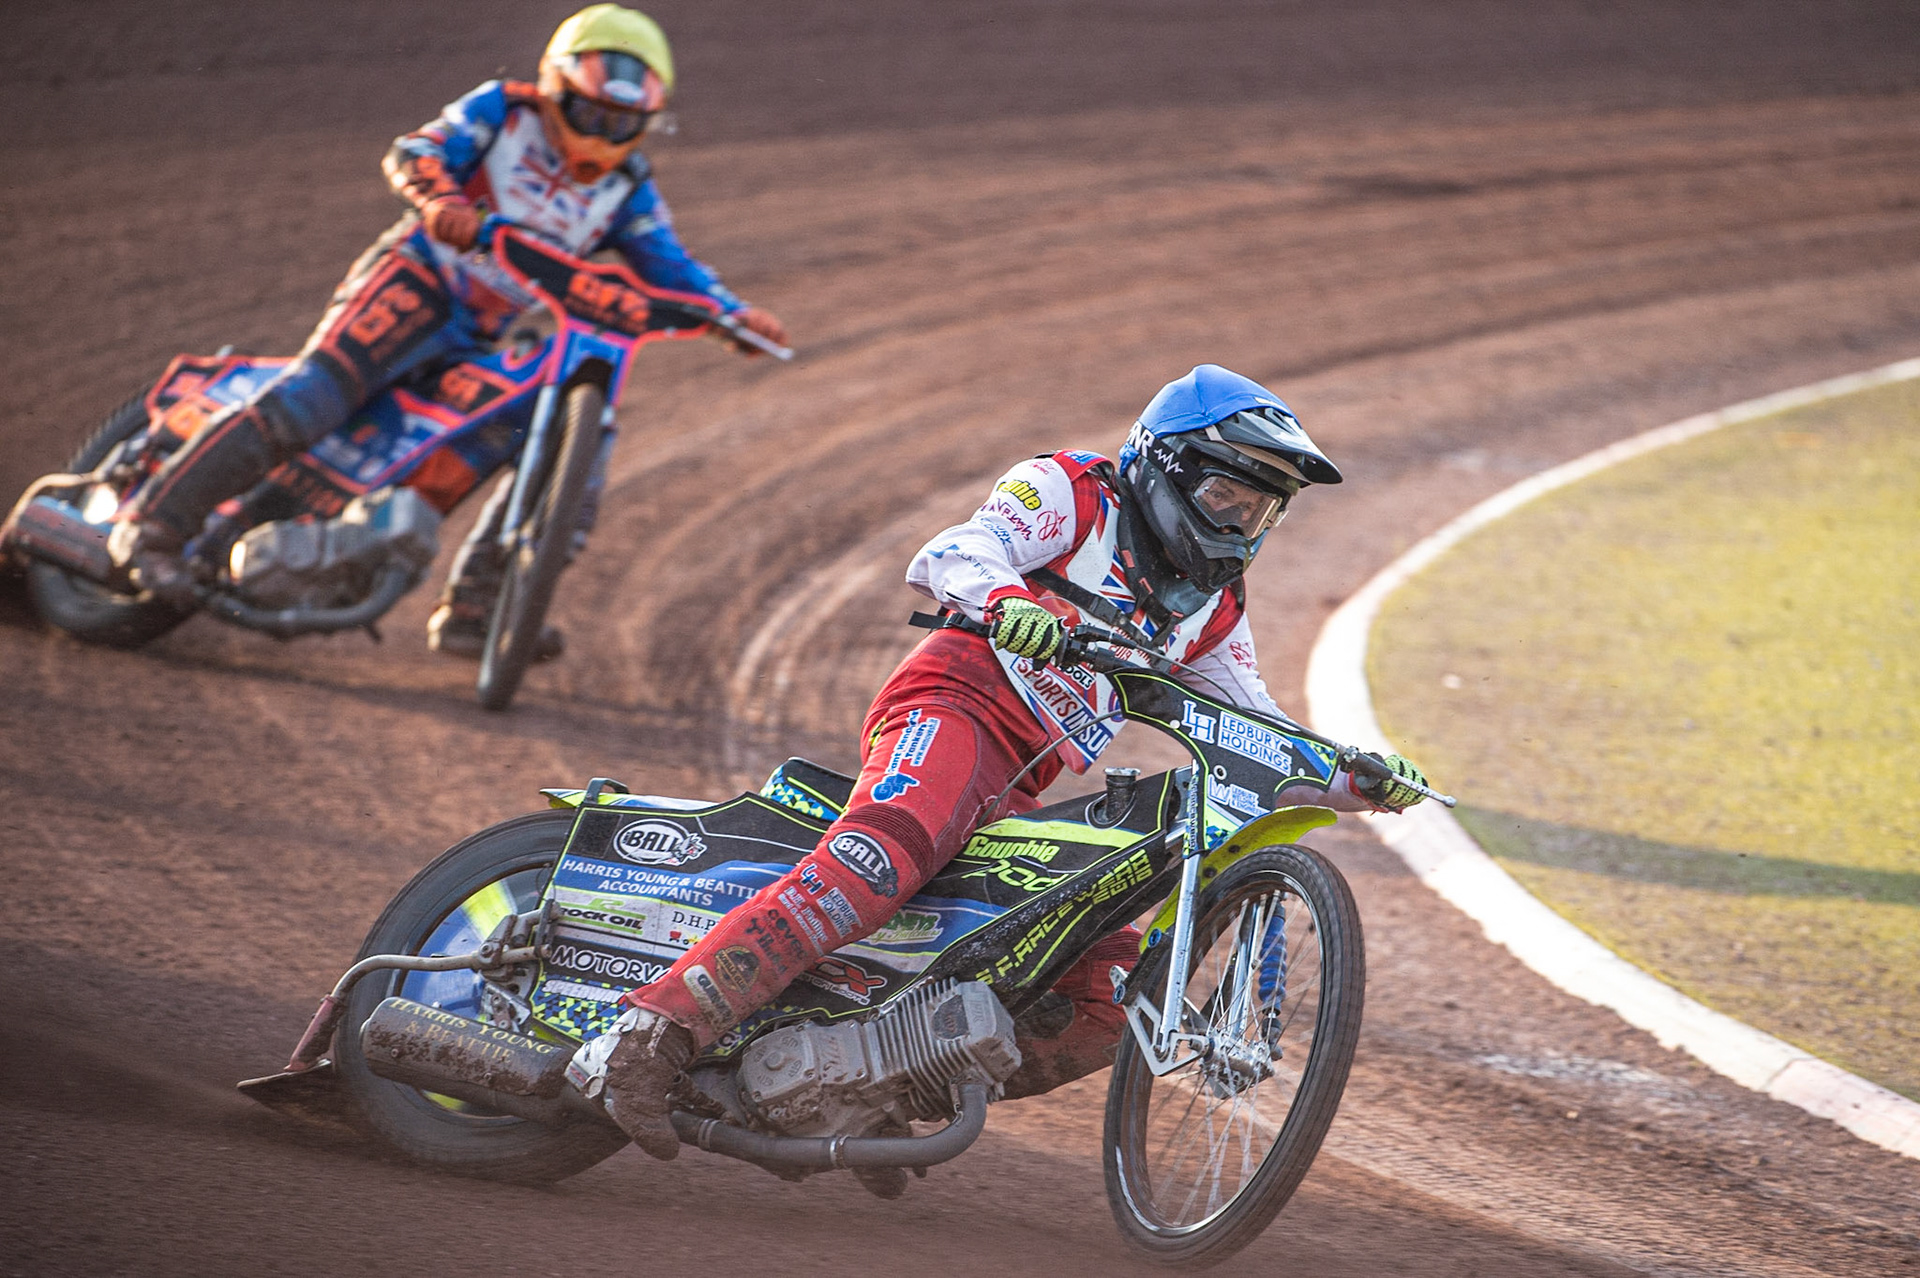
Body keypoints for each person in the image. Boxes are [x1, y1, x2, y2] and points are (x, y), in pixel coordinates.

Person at [565, 363, 1431, 1159]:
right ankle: (646, 1037)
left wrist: (1359, 778)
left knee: (1101, 998)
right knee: (878, 862)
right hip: (953, 707)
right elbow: (951, 553)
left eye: (1260, 511)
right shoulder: (1070, 490)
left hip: (1017, 786)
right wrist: (1012, 602)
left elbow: (1254, 725)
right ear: (1164, 468)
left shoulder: (1211, 606)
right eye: (1225, 496)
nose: (1241, 525)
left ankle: (866, 1092)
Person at [108, 4, 787, 658]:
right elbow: (417, 150)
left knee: (497, 432)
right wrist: (441, 198)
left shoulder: (629, 188)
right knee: (313, 399)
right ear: (553, 90)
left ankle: (476, 609)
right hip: (414, 280)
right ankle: (151, 529)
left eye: (623, 121)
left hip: (482, 332)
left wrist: (731, 315)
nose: (603, 134)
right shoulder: (501, 111)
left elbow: (672, 265)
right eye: (591, 112)